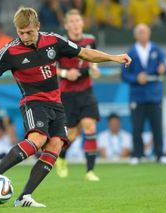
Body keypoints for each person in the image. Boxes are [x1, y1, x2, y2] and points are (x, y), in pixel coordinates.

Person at [0, 7, 131, 208]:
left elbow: (84, 53)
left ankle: (24, 196)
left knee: (55, 145)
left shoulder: (53, 41)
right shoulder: (9, 51)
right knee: (38, 139)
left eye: (29, 32)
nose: (25, 37)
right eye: (20, 33)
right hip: (33, 101)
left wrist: (114, 57)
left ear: (38, 26)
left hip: (56, 103)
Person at [55, 9, 101, 181]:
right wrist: (66, 74)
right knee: (72, 134)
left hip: (86, 91)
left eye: (77, 20)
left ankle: (90, 171)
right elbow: (51, 68)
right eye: (71, 21)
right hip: (67, 94)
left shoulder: (90, 40)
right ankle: (61, 157)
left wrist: (95, 69)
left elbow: (94, 60)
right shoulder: (60, 44)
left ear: (82, 23)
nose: (75, 24)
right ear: (66, 25)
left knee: (90, 126)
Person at [121, 23, 166, 165]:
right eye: (140, 32)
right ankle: (137, 154)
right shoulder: (130, 52)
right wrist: (136, 78)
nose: (142, 34)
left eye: (145, 32)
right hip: (137, 95)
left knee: (157, 127)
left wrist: (163, 68)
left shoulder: (156, 50)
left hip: (154, 95)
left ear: (149, 33)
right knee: (137, 127)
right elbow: (124, 75)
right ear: (136, 35)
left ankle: (159, 154)